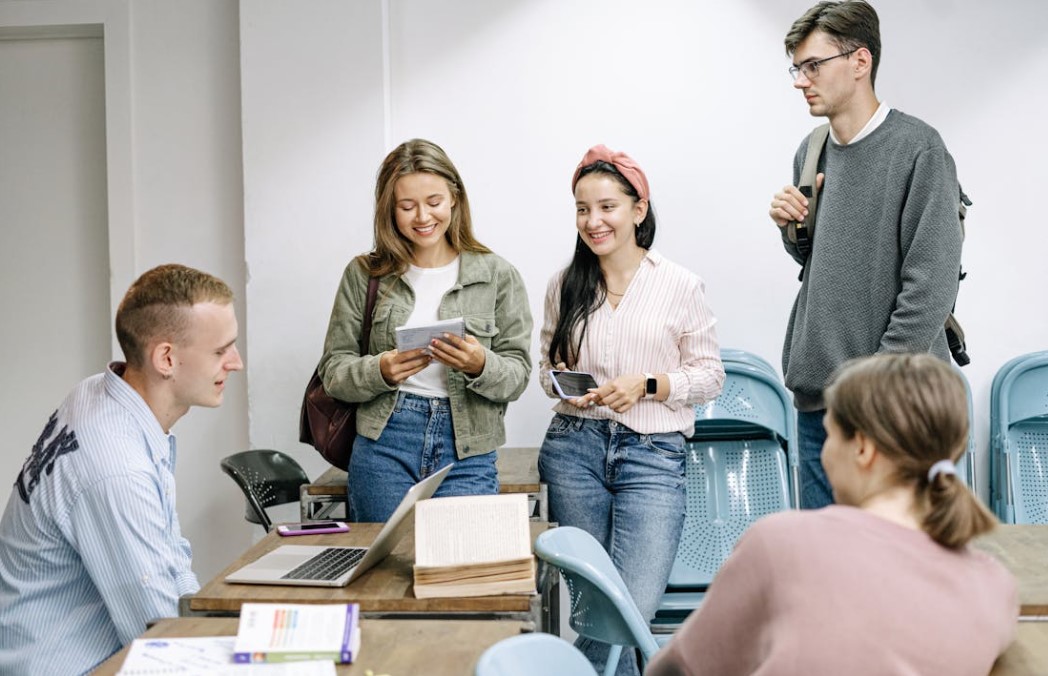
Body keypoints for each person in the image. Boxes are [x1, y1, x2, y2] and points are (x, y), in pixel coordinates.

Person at [646, 353, 1017, 676]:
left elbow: (679, 669)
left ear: (863, 448)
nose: (824, 454)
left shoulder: (782, 543)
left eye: (830, 436)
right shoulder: (994, 586)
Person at [0, 264, 244, 675]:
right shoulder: (116, 469)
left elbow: (170, 557)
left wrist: (212, 629)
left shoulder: (99, 393)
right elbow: (160, 640)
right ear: (166, 358)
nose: (236, 363)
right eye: (221, 351)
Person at [767, 0, 964, 509]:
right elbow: (824, 264)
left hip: (894, 407)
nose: (800, 81)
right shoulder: (810, 151)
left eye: (813, 65)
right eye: (797, 68)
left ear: (860, 61)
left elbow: (931, 285)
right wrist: (793, 230)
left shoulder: (919, 149)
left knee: (899, 554)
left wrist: (872, 388)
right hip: (819, 404)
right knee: (825, 555)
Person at [537, 144, 724, 676]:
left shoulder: (680, 284)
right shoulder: (564, 284)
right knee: (596, 607)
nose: (592, 221)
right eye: (582, 209)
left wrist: (648, 385)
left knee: (628, 608)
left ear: (638, 210)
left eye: (607, 207)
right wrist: (566, 385)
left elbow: (710, 376)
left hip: (653, 455)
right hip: (573, 451)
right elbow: (545, 372)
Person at [318, 138, 532, 522]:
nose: (422, 217)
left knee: (460, 558)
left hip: (468, 448)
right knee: (384, 559)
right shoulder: (365, 274)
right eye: (407, 206)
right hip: (385, 443)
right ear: (389, 209)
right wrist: (380, 370)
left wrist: (480, 364)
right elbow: (333, 372)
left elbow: (517, 376)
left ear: (454, 198)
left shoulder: (497, 275)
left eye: (434, 202)